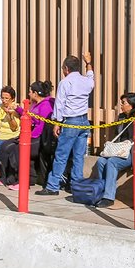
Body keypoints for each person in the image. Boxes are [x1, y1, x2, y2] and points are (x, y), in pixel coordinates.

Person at [37, 51, 95, 196]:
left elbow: (60, 104)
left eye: (63, 68)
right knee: (79, 155)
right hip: (84, 121)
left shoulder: (65, 82)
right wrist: (88, 62)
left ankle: (52, 186)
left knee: (61, 155)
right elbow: (91, 77)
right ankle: (76, 185)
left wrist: (57, 122)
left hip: (70, 121)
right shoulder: (85, 81)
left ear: (66, 69)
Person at [89, 92, 135, 208]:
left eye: (124, 103)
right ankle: (100, 191)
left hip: (130, 152)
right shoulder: (122, 117)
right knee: (101, 161)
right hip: (119, 150)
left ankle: (108, 197)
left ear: (132, 105)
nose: (121, 105)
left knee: (112, 162)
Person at [0, 81, 54, 190]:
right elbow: (29, 116)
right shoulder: (34, 104)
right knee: (5, 146)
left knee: (19, 148)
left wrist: (28, 137)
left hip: (40, 138)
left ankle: (23, 181)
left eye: (30, 91)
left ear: (35, 93)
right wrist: (17, 109)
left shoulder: (46, 105)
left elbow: (42, 126)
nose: (29, 93)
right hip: (29, 135)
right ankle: (7, 177)